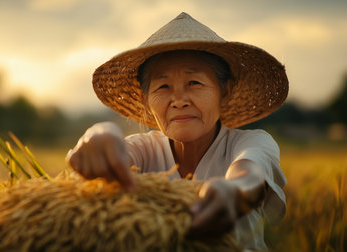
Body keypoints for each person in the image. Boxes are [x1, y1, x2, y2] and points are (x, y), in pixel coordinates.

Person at [66, 12, 287, 250]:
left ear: (225, 91)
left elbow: (250, 174)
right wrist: (100, 133)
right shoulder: (144, 150)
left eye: (194, 83)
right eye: (163, 86)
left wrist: (234, 191)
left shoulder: (251, 142)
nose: (179, 100)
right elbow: (117, 155)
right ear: (145, 99)